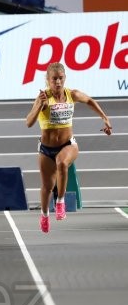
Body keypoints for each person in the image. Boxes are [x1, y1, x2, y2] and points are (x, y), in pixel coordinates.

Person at [25, 62, 112, 233]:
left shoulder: (72, 94)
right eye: (54, 79)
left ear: (64, 78)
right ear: (48, 80)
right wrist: (39, 106)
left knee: (62, 164)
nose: (57, 82)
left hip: (68, 144)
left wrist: (105, 118)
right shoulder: (43, 97)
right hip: (46, 149)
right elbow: (28, 122)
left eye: (60, 78)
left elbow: (90, 101)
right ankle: (44, 215)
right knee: (47, 188)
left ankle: (60, 202)